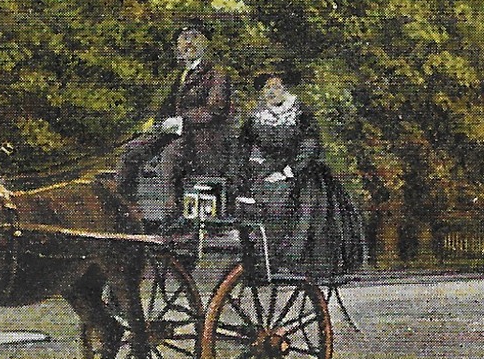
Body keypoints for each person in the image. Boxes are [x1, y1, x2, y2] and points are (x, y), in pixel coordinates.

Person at [234, 69, 367, 280]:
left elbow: (310, 146)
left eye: (276, 87)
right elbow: (242, 147)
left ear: (285, 88)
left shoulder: (300, 114)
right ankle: (262, 258)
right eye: (267, 87)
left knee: (284, 198)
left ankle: (291, 259)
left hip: (302, 173)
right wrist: (244, 170)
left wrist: (288, 171)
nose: (271, 92)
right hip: (267, 170)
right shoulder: (256, 118)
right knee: (249, 198)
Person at [117, 25, 235, 212]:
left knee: (170, 156)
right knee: (132, 150)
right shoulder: (178, 74)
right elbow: (164, 106)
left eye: (194, 37)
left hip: (202, 138)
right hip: (174, 133)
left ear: (205, 42)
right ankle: (126, 205)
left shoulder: (217, 74)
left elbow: (215, 111)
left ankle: (171, 213)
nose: (189, 43)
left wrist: (183, 121)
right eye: (183, 38)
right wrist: (155, 121)